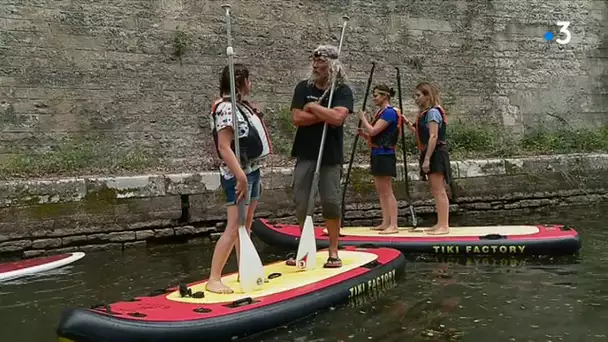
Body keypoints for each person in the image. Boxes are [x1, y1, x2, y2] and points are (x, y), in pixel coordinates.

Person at [206, 63, 272, 294]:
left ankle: (245, 269)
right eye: (249, 80)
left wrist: (249, 175)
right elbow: (224, 147)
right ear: (241, 82)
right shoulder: (226, 109)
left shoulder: (241, 106)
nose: (251, 84)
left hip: (251, 170)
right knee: (234, 226)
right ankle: (214, 278)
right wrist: (240, 177)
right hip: (238, 174)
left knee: (246, 225)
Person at [287, 44, 354, 268]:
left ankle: (333, 251)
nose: (315, 65)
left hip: (330, 156)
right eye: (314, 60)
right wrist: (323, 112)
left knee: (331, 203)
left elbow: (338, 119)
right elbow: (296, 118)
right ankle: (306, 248)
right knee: (301, 201)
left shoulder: (342, 91)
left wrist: (313, 108)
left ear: (332, 65)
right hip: (306, 153)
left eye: (321, 61)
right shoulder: (302, 87)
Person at [356, 84, 402, 235]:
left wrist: (363, 119)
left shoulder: (389, 113)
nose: (374, 98)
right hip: (377, 153)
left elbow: (374, 130)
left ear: (384, 96)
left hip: (385, 154)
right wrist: (364, 135)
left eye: (376, 95)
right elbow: (375, 135)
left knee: (387, 190)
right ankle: (385, 221)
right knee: (381, 190)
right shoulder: (381, 112)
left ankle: (393, 224)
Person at [411, 82, 451, 235]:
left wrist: (427, 158)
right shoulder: (426, 113)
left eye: (418, 95)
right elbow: (422, 133)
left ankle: (444, 225)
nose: (416, 98)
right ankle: (440, 223)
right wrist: (408, 123)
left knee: (439, 190)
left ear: (427, 96)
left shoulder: (433, 112)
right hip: (432, 152)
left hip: (436, 153)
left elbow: (433, 136)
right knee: (435, 190)